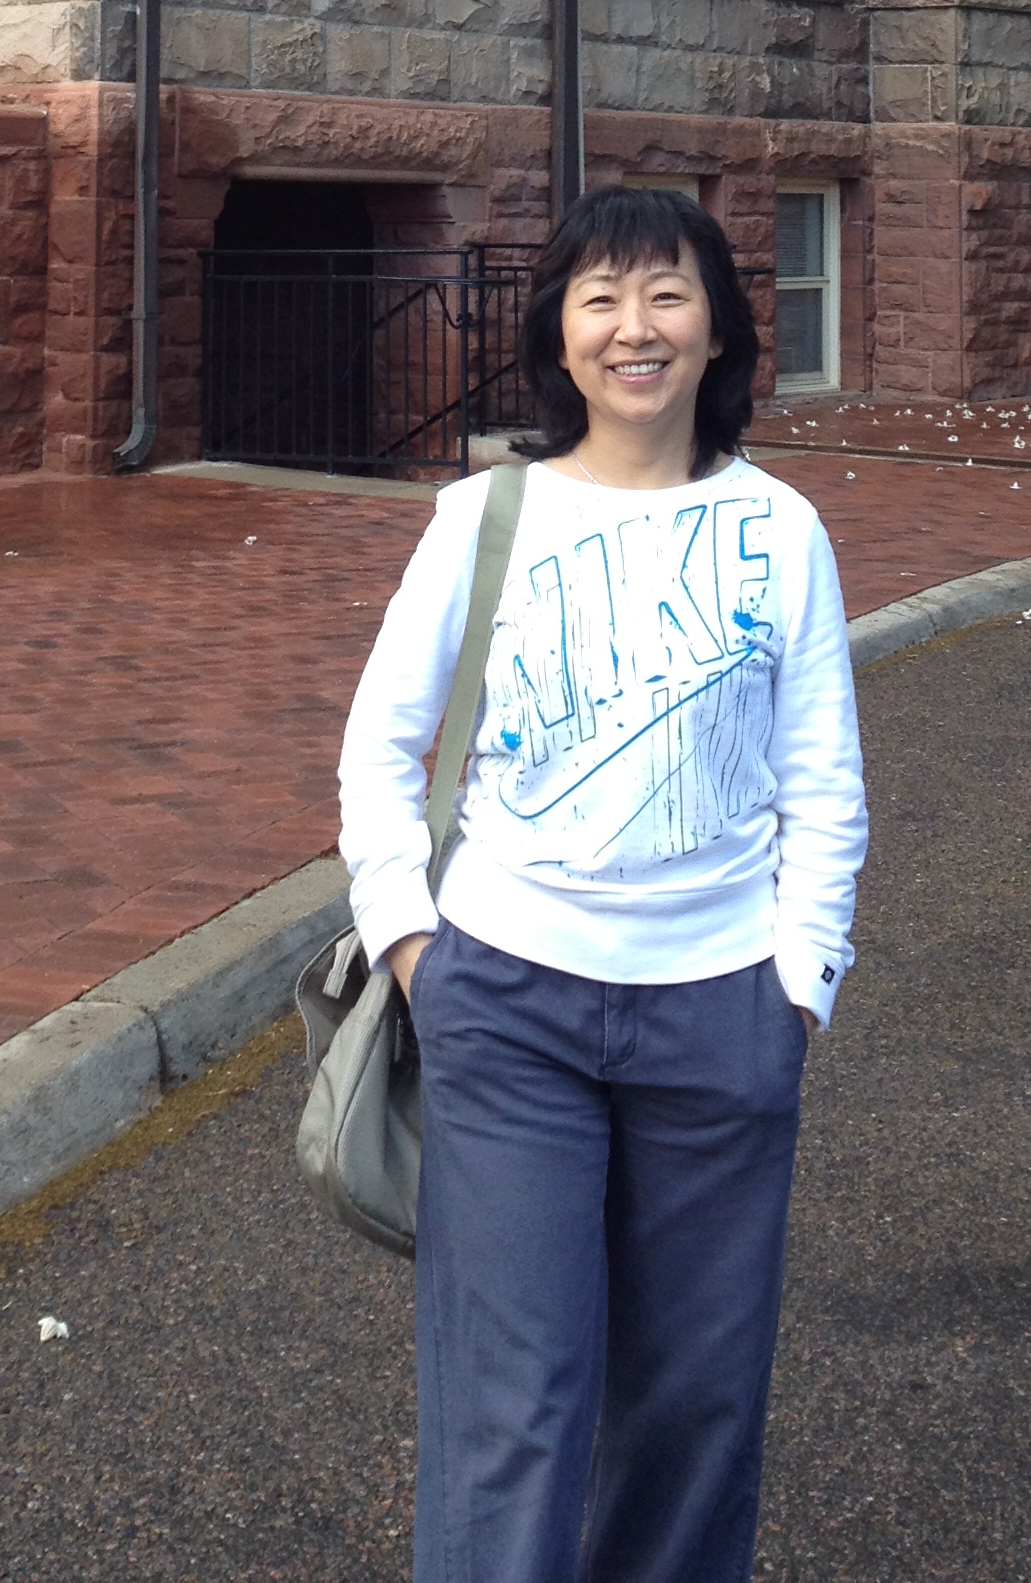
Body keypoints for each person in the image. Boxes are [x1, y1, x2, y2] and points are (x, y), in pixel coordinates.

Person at [337, 187, 871, 1583]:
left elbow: (823, 780)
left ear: (718, 330)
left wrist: (798, 987)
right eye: (602, 298)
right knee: (516, 1401)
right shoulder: (483, 519)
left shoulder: (781, 529)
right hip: (508, 1005)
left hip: (722, 1013)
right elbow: (381, 746)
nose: (637, 327)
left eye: (668, 293)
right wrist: (413, 950)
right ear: (560, 338)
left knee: (696, 1403)